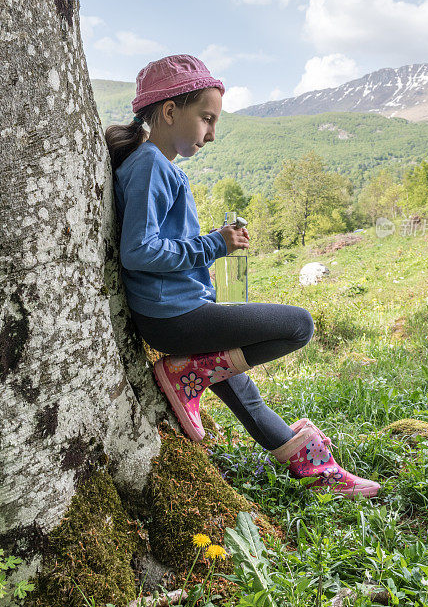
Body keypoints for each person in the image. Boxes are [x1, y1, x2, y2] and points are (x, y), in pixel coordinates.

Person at [105, 54, 380, 499]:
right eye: (206, 119)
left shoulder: (152, 165)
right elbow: (139, 251)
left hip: (181, 313)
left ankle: (322, 473)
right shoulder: (152, 164)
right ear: (171, 111)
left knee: (247, 399)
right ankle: (186, 373)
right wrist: (216, 243)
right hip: (175, 318)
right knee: (298, 325)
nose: (212, 133)